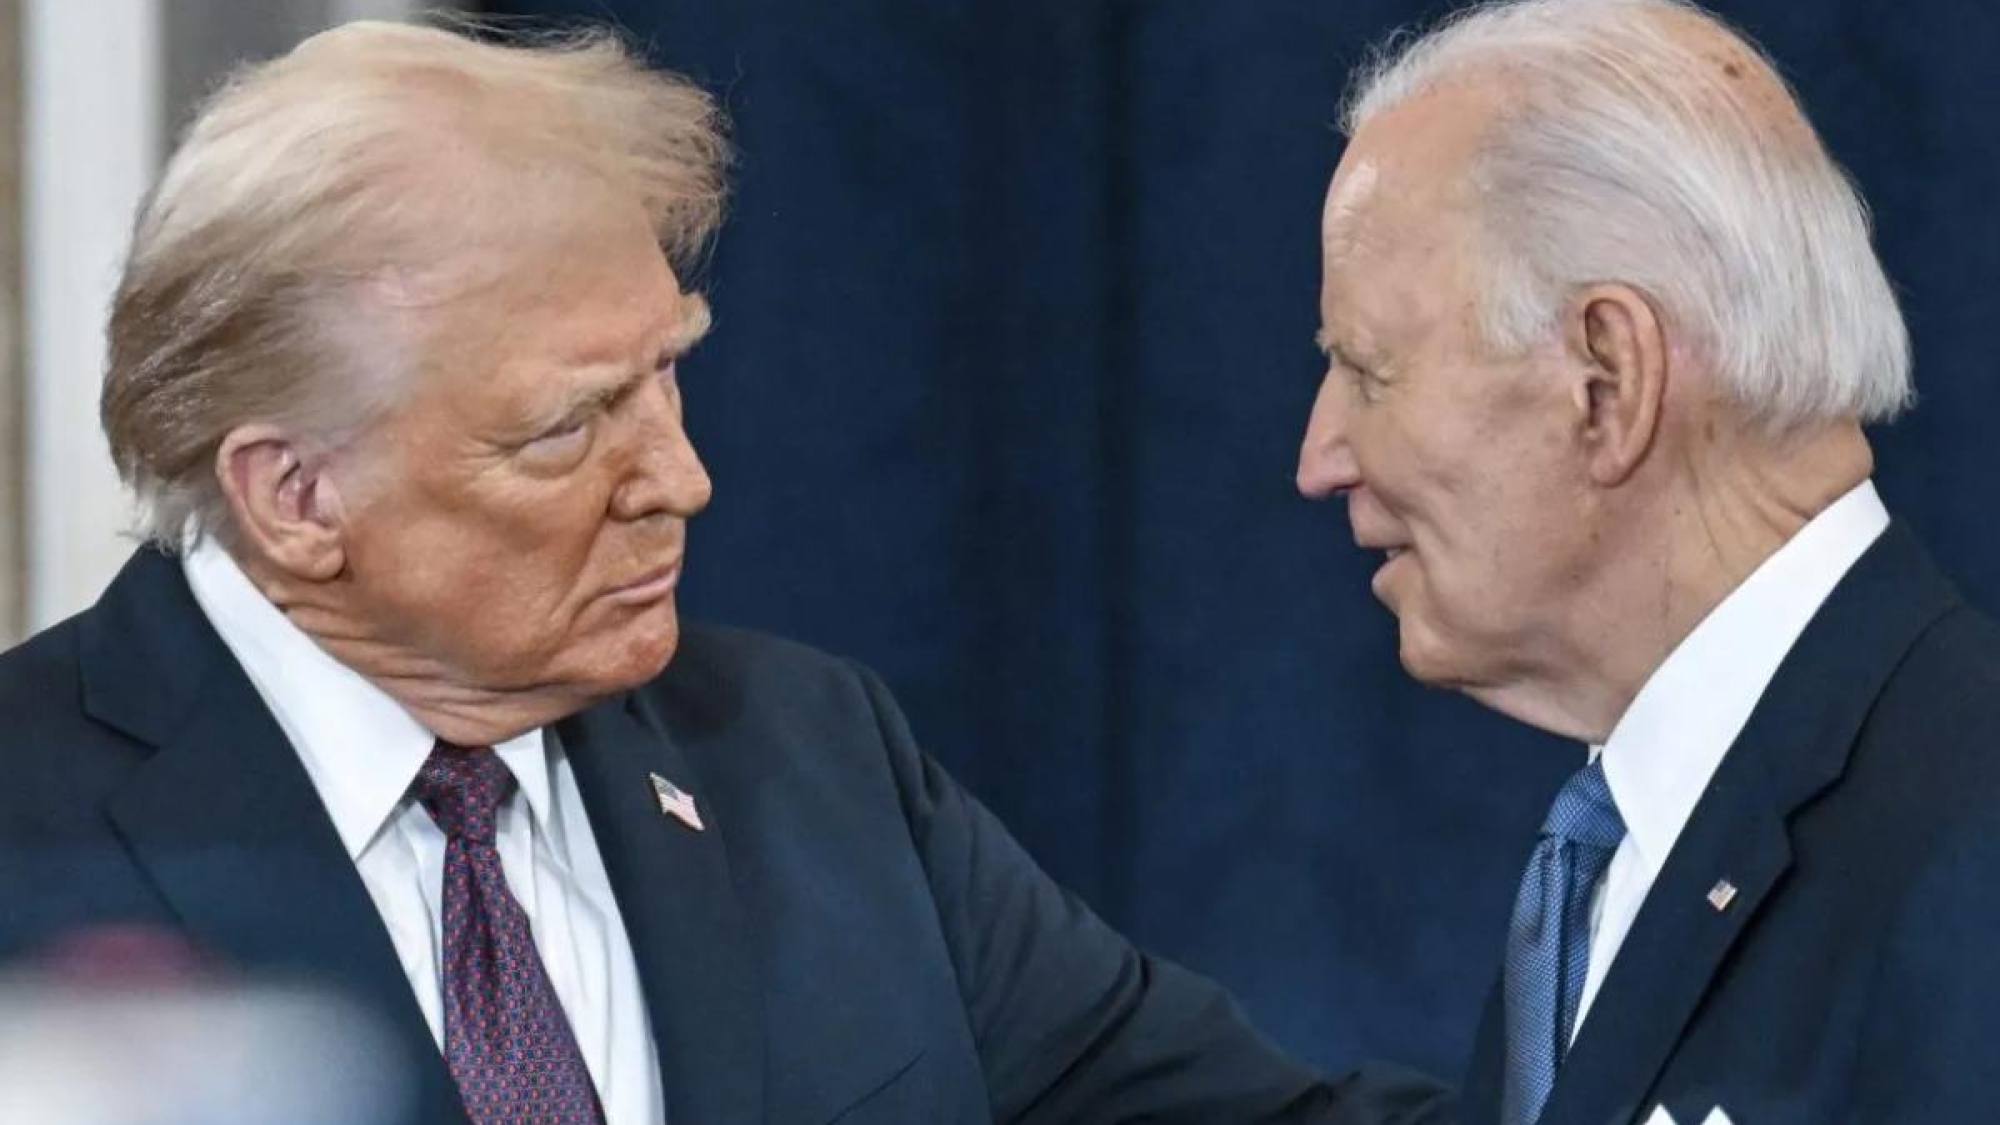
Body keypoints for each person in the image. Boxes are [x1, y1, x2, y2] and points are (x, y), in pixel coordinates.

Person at [0, 19, 1446, 1125]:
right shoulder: (29, 824)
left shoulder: (809, 756)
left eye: (666, 375)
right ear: (295, 495)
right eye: (570, 427)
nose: (680, 479)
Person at [1298, 1, 2000, 1122]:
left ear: (1606, 382)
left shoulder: (1971, 864)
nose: (1319, 459)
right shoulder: (1616, 849)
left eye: (1369, 372)